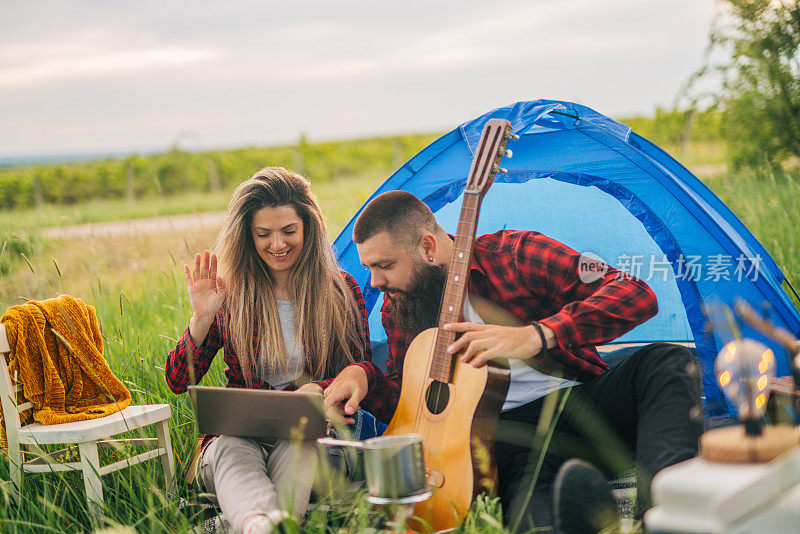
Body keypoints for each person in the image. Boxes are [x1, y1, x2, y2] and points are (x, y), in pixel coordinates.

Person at [323, 190, 703, 533]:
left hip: (579, 401)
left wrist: (535, 335)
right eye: (369, 268)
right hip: (506, 440)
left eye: (384, 265)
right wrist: (365, 378)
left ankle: (666, 509)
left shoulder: (515, 256)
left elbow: (635, 294)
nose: (373, 282)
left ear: (427, 247)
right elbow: (412, 409)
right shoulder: (400, 308)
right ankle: (585, 508)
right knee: (533, 518)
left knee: (668, 360)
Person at [165, 167, 371, 534]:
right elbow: (179, 380)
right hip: (241, 441)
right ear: (249, 236)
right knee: (230, 446)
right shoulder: (231, 295)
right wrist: (200, 319)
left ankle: (242, 523)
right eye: (264, 234)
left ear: (309, 228)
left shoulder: (341, 291)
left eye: (288, 231)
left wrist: (320, 390)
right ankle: (265, 525)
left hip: (319, 439)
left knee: (299, 442)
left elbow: (360, 371)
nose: (277, 245)